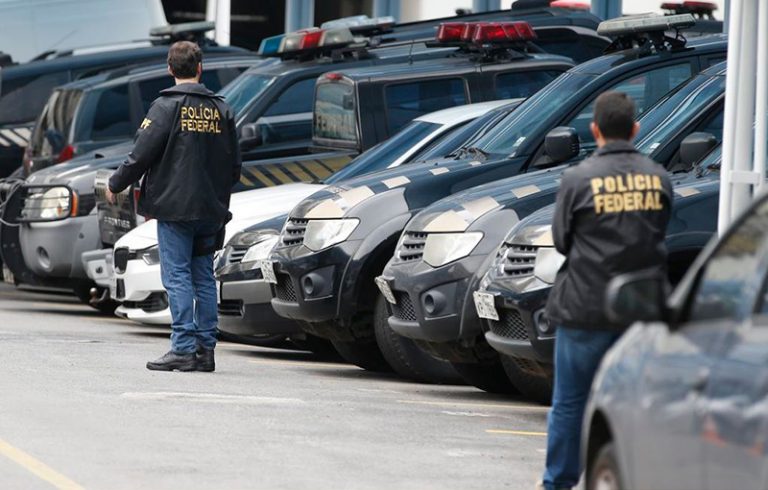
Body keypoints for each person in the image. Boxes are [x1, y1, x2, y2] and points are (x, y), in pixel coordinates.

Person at [537, 91, 673, 490]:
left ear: (595, 130)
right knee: (637, 405)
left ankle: (558, 483)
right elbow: (660, 233)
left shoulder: (577, 179)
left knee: (570, 403)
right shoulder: (659, 177)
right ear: (635, 129)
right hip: (640, 310)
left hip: (584, 309)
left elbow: (562, 241)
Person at [106, 41, 241, 373]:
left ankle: (182, 348)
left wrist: (115, 184)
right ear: (200, 68)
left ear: (170, 68)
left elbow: (141, 154)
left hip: (175, 208)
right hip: (211, 209)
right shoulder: (222, 108)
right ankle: (205, 350)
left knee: (177, 275)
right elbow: (235, 165)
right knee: (203, 277)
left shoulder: (166, 107)